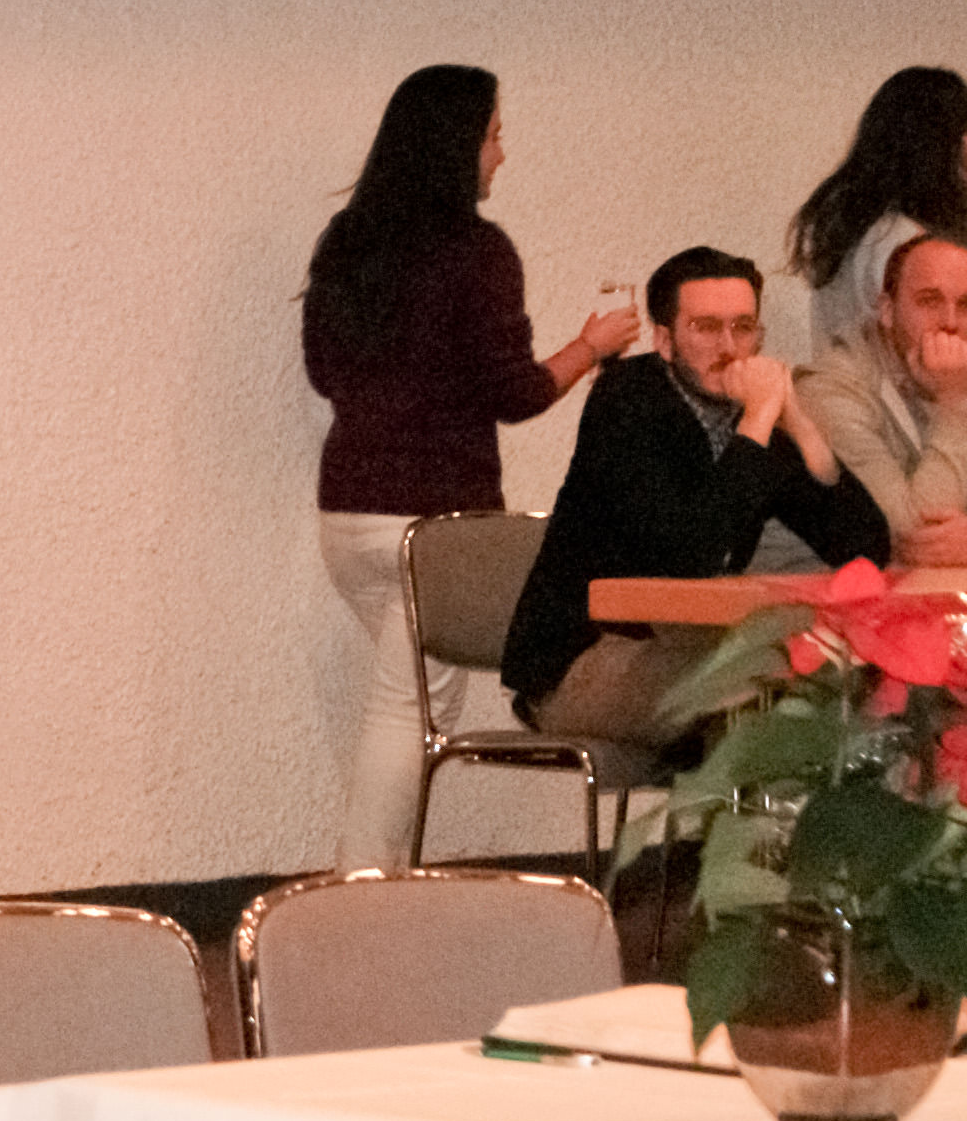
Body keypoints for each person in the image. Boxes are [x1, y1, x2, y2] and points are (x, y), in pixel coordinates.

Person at [302, 65, 639, 870]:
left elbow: (322, 373)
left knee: (409, 700)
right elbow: (515, 394)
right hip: (435, 524)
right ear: (456, 144)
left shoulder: (347, 240)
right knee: (408, 710)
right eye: (494, 135)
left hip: (347, 515)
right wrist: (590, 347)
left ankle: (371, 883)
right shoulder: (478, 252)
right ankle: (361, 890)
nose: (502, 154)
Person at [502, 247, 894, 742]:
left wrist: (798, 423)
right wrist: (759, 420)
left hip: (690, 647)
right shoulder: (626, 400)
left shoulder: (753, 417)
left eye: (743, 328)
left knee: (860, 673)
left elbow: (865, 546)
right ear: (665, 341)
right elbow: (690, 556)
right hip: (583, 662)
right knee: (762, 684)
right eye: (706, 328)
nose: (728, 347)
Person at [800, 232, 967, 566]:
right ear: (887, 310)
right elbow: (912, 538)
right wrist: (954, 406)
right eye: (930, 301)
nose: (950, 322)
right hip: (832, 591)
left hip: (960, 592)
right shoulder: (831, 386)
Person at [780, 66, 967, 357]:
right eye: (961, 136)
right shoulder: (904, 240)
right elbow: (957, 348)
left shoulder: (852, 223)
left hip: (842, 388)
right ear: (942, 146)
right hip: (888, 393)